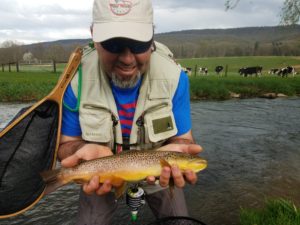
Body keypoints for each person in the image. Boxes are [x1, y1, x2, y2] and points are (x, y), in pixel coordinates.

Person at [57, 0, 203, 224]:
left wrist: (182, 145)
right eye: (114, 45)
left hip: (158, 174)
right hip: (102, 176)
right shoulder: (75, 82)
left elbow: (183, 139)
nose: (127, 59)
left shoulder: (175, 77)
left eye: (138, 44)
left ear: (152, 37)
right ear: (94, 37)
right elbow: (66, 146)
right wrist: (80, 150)